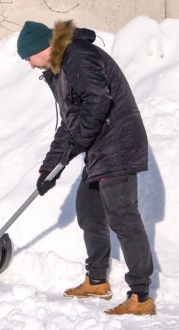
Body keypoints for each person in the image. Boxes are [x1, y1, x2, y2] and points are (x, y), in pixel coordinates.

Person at [17, 20, 155, 315]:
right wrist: (49, 169)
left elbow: (98, 101)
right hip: (100, 147)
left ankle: (141, 296)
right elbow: (70, 125)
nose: (29, 65)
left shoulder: (77, 55)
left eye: (27, 57)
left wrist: (76, 144)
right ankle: (97, 281)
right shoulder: (60, 70)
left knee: (123, 217)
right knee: (89, 209)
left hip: (117, 144)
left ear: (41, 49)